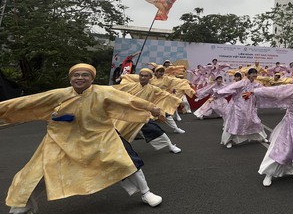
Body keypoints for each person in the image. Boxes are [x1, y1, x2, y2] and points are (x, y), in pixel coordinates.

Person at [0, 64, 164, 213]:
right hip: (63, 139)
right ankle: (21, 207)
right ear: (70, 78)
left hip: (101, 135)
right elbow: (28, 102)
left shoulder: (103, 92)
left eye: (84, 75)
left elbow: (129, 100)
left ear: (92, 78)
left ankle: (146, 192)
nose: (79, 78)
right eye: (76, 75)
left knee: (128, 160)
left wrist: (151, 107)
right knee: (33, 174)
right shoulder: (60, 94)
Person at [113, 68, 183, 154]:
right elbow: (114, 91)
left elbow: (164, 95)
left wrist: (177, 101)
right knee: (118, 132)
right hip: (128, 115)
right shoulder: (132, 86)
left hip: (142, 115)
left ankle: (171, 146)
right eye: (141, 75)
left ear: (150, 77)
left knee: (156, 130)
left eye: (146, 76)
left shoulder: (153, 89)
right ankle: (115, 151)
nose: (143, 78)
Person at [215, 68, 268, 148]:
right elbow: (230, 88)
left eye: (255, 73)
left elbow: (264, 90)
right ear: (248, 74)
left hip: (250, 107)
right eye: (252, 73)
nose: (254, 75)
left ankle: (263, 137)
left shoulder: (256, 84)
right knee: (235, 124)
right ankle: (229, 141)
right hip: (239, 107)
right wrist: (218, 93)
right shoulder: (242, 83)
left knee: (254, 121)